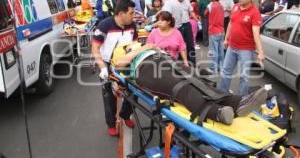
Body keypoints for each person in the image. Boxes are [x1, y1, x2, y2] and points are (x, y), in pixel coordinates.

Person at [110, 43, 268, 125]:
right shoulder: (122, 50)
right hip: (145, 69)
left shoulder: (141, 45)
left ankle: (239, 102)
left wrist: (153, 49)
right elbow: (118, 64)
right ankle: (216, 112)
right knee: (181, 87)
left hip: (163, 59)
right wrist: (141, 49)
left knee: (200, 81)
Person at [92, 0, 137, 136]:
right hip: (108, 64)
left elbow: (134, 45)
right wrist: (102, 68)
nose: (133, 16)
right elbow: (95, 49)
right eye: (131, 13)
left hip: (126, 64)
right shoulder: (104, 25)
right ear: (121, 13)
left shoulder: (132, 26)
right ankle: (111, 124)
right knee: (109, 96)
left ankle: (125, 114)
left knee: (134, 92)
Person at [220, 0, 265, 96]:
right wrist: (226, 39)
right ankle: (221, 94)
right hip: (231, 47)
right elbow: (231, 23)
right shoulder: (235, 7)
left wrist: (260, 52)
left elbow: (256, 34)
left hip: (245, 50)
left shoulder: (255, 13)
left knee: (244, 76)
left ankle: (242, 100)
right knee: (226, 71)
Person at [162, 0, 198, 66]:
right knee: (178, 46)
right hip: (176, 27)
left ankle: (192, 63)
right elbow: (166, 16)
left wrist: (197, 21)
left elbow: (191, 11)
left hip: (187, 24)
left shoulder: (186, 0)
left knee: (190, 44)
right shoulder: (169, 3)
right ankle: (180, 64)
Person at [204, 0, 225, 74]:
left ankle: (213, 68)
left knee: (214, 51)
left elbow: (205, 14)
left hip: (213, 30)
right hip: (221, 30)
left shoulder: (210, 5)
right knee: (221, 50)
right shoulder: (221, 5)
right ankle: (222, 67)